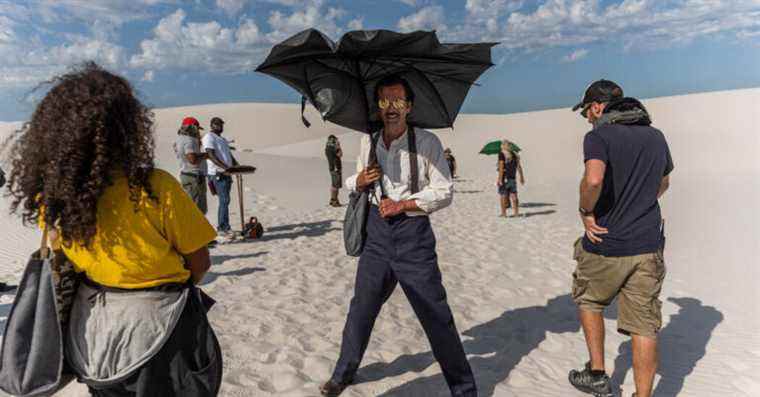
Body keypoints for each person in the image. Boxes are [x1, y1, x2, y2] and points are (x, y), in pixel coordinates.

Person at [4, 63, 222, 396]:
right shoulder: (155, 187)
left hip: (93, 337)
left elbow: (64, 257)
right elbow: (200, 263)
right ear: (126, 128)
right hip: (159, 332)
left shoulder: (55, 196)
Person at [320, 75, 476, 397]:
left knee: (436, 315)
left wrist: (404, 204)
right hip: (376, 236)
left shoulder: (428, 143)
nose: (390, 108)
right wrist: (360, 179)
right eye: (384, 101)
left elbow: (444, 191)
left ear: (409, 106)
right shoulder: (369, 141)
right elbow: (353, 183)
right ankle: (343, 373)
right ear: (377, 106)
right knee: (361, 309)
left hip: (413, 237)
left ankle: (464, 390)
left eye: (397, 101)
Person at [568, 80, 673, 397]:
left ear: (598, 106)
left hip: (607, 243)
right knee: (644, 325)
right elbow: (664, 182)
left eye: (587, 110)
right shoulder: (656, 136)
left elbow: (594, 178)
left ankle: (597, 373)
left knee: (589, 300)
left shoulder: (598, 136)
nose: (587, 117)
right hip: (648, 245)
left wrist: (587, 211)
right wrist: (639, 202)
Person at [203, 116, 238, 235]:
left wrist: (236, 165)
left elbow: (228, 155)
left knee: (225, 200)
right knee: (224, 200)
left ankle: (225, 226)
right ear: (212, 125)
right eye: (218, 124)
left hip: (227, 173)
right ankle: (223, 227)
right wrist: (225, 167)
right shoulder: (209, 137)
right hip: (217, 173)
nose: (221, 126)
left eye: (221, 124)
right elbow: (211, 155)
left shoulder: (222, 139)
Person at [174, 117, 208, 214]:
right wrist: (206, 155)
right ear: (191, 127)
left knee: (189, 208)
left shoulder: (179, 139)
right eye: (197, 128)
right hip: (194, 178)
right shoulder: (190, 140)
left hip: (186, 175)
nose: (198, 131)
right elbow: (192, 159)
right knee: (198, 211)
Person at [497, 140, 524, 217]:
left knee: (503, 195)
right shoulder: (515, 154)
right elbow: (519, 167)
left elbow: (502, 167)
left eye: (502, 145)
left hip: (504, 178)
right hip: (513, 178)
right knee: (514, 195)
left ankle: (504, 213)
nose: (501, 146)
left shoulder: (502, 154)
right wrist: (521, 177)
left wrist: (499, 179)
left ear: (503, 146)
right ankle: (516, 213)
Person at [325, 134, 343, 207]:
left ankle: (333, 199)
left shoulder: (327, 148)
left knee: (334, 185)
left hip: (332, 168)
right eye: (335, 140)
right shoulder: (333, 148)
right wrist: (338, 146)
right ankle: (334, 200)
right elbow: (340, 154)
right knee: (336, 185)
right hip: (335, 168)